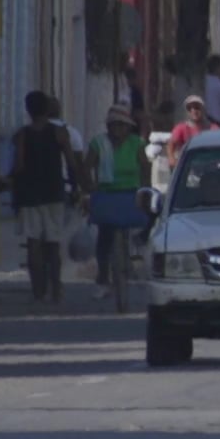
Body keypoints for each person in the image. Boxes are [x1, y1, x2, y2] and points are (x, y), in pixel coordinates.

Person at [9, 90, 87, 303]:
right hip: (54, 192)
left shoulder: (22, 135)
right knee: (53, 242)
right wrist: (76, 187)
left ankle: (38, 291)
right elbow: (71, 163)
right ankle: (56, 288)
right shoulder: (60, 133)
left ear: (28, 110)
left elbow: (18, 166)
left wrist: (8, 182)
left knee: (33, 242)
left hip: (29, 194)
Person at [85, 104, 148, 300]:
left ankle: (130, 263)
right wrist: (89, 188)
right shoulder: (98, 143)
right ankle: (103, 278)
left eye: (122, 125)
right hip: (106, 194)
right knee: (104, 238)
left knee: (139, 227)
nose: (118, 129)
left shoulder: (136, 143)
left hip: (129, 194)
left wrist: (146, 190)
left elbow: (145, 168)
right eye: (114, 125)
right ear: (108, 126)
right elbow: (87, 168)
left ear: (128, 127)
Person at [168, 96, 211, 163]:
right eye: (189, 108)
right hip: (188, 164)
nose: (193, 111)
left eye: (197, 107)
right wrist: (171, 158)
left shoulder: (211, 128)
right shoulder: (181, 128)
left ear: (202, 110)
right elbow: (171, 144)